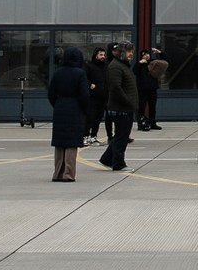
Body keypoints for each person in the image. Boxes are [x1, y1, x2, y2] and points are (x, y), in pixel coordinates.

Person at [47, 45, 92, 181]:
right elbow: (84, 95)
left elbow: (51, 93)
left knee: (60, 143)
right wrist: (85, 109)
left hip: (60, 107)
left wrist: (58, 104)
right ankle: (68, 174)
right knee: (72, 143)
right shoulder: (80, 73)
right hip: (75, 108)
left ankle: (57, 173)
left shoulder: (58, 72)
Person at [98, 40, 139, 170]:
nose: (131, 54)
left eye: (131, 51)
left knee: (121, 135)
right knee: (122, 136)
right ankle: (118, 163)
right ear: (121, 52)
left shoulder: (124, 65)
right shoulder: (115, 66)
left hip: (126, 107)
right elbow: (116, 87)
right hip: (121, 108)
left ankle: (106, 158)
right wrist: (128, 101)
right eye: (128, 51)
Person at [135, 44, 162, 131]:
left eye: (147, 54)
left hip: (152, 88)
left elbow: (165, 62)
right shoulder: (139, 64)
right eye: (144, 55)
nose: (146, 56)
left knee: (152, 106)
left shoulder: (153, 63)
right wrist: (140, 63)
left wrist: (159, 53)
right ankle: (140, 123)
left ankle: (152, 122)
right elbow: (134, 71)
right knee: (141, 106)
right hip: (142, 89)